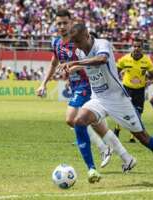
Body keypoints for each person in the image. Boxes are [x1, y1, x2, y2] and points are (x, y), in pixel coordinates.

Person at [57, 23, 153, 186]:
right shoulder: (79, 50)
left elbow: (101, 60)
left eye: (78, 41)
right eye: (74, 42)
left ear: (87, 36)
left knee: (143, 137)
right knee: (79, 121)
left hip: (118, 99)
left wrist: (76, 64)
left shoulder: (103, 44)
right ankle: (91, 170)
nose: (76, 46)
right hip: (98, 98)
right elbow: (87, 65)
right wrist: (74, 69)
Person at [36, 10, 134, 183]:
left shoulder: (78, 41)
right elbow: (54, 63)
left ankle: (104, 148)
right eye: (58, 23)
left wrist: (76, 68)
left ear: (71, 22)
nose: (61, 26)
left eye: (64, 23)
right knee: (97, 125)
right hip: (76, 86)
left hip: (89, 85)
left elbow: (92, 60)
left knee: (71, 119)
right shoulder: (57, 43)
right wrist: (43, 83)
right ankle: (126, 158)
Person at [113, 38, 153, 143]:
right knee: (123, 112)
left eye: (139, 46)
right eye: (135, 46)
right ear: (132, 47)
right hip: (127, 89)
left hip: (140, 91)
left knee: (138, 114)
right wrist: (116, 82)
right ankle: (117, 130)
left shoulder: (147, 61)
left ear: (142, 48)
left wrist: (150, 81)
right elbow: (115, 71)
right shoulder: (125, 59)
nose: (136, 48)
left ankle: (133, 137)